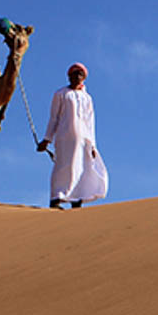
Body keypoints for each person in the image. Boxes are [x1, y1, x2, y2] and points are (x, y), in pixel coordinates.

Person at [37, 62, 108, 209]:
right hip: (64, 137)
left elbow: (90, 122)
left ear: (84, 78)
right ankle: (56, 198)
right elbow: (54, 118)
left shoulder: (87, 98)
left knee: (81, 168)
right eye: (74, 74)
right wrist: (47, 139)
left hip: (84, 139)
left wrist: (93, 145)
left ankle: (77, 200)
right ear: (69, 76)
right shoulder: (61, 94)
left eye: (80, 74)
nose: (77, 77)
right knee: (63, 167)